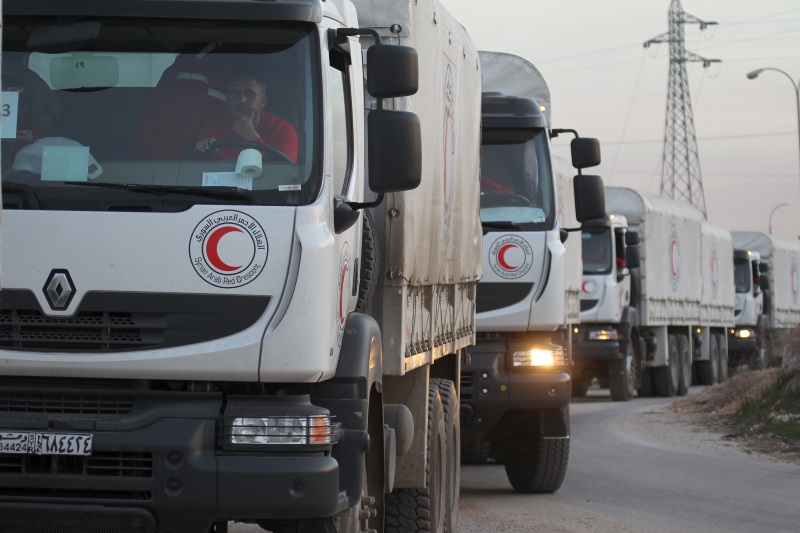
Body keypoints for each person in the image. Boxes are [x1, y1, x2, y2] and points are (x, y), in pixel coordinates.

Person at [195, 71, 298, 162]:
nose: (242, 100)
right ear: (228, 100)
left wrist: (251, 136)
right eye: (235, 94)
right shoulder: (213, 129)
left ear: (263, 101)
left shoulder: (283, 129)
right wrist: (206, 154)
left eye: (249, 94)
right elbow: (197, 173)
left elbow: (285, 175)